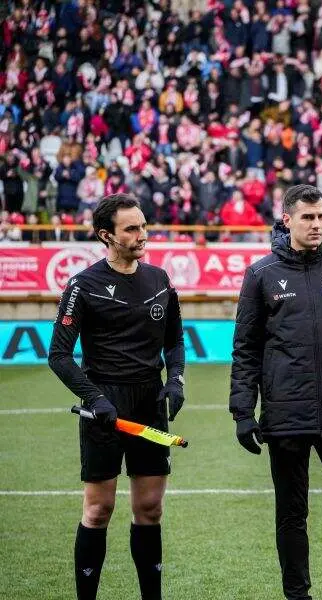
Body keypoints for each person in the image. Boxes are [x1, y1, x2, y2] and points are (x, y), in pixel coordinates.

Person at [229, 184, 322, 600]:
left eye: (321, 217)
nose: (317, 225)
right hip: (286, 418)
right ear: (287, 220)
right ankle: (297, 596)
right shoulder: (262, 275)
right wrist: (242, 411)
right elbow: (245, 348)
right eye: (308, 217)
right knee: (291, 516)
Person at [48, 194, 186, 600]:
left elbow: (175, 340)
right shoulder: (83, 284)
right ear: (106, 235)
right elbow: (58, 355)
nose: (142, 234)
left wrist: (175, 379)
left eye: (143, 226)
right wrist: (95, 398)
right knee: (98, 510)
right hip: (103, 407)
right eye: (131, 228)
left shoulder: (160, 279)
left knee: (150, 510)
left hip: (148, 406)